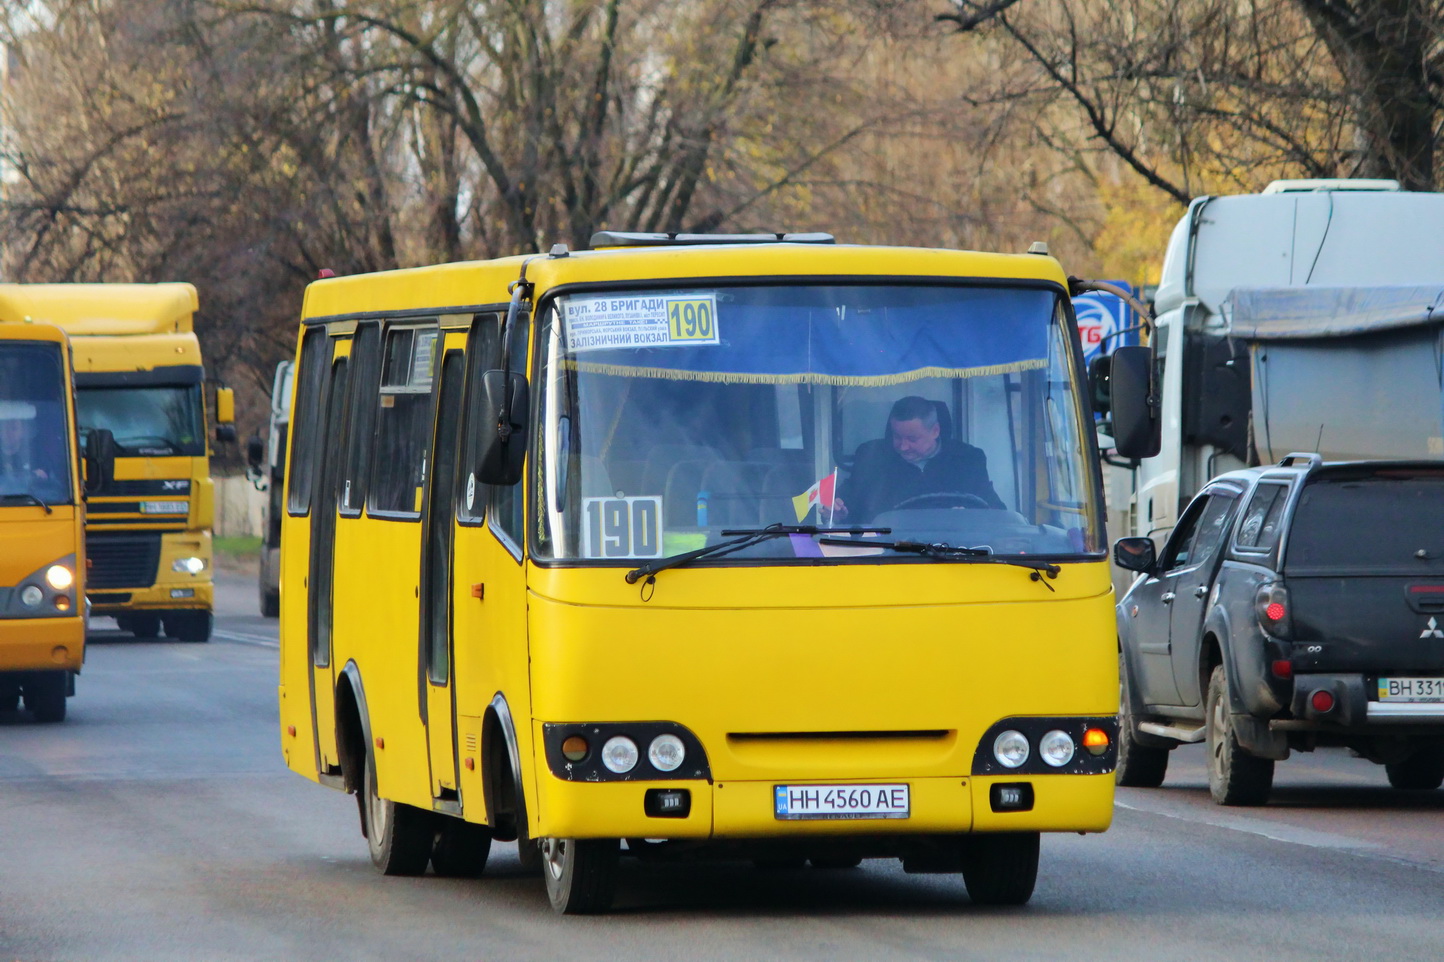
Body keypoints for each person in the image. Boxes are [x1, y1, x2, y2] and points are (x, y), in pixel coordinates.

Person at [832, 395, 1004, 522]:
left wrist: (972, 514)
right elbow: (845, 502)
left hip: (953, 553)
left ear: (935, 431)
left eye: (912, 439)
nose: (903, 446)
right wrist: (838, 510)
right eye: (897, 436)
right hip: (885, 554)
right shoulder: (871, 457)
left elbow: (994, 510)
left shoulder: (968, 460)